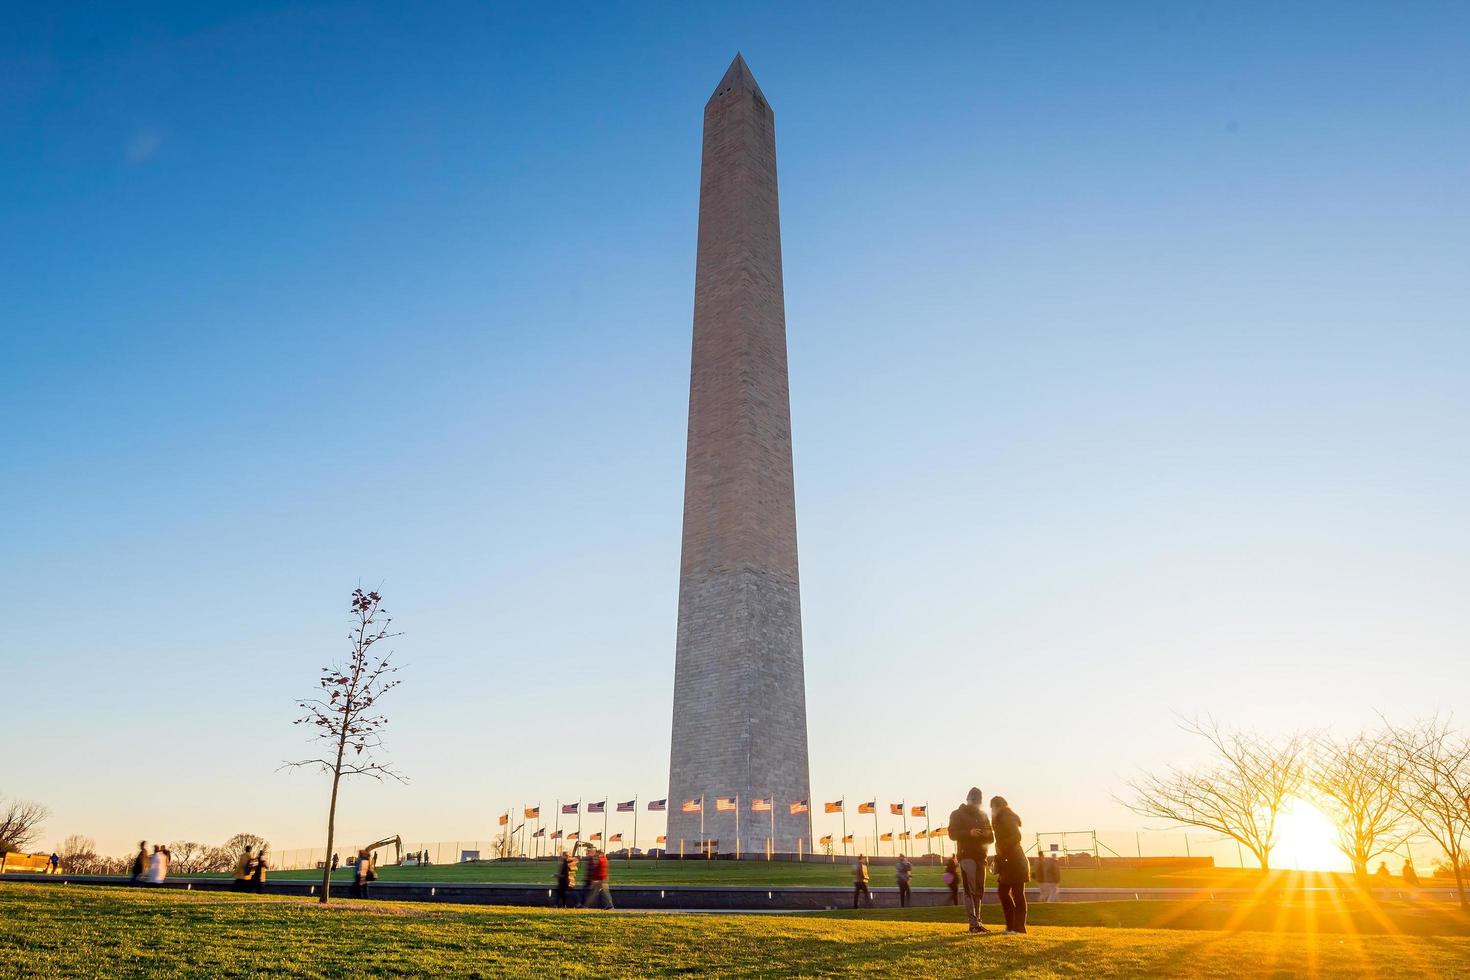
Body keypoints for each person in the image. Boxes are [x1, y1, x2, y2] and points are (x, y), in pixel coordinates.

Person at [948, 787, 994, 933]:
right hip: (966, 855)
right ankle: (973, 923)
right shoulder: (957, 814)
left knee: (979, 890)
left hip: (981, 856)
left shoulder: (983, 815)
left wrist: (986, 833)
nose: (976, 804)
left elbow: (991, 838)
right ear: (969, 800)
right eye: (974, 801)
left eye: (978, 801)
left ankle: (978, 922)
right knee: (970, 889)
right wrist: (969, 833)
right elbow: (952, 833)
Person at [990, 796, 1028, 934]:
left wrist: (1002, 847)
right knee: (1006, 893)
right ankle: (1012, 926)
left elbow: (1017, 836)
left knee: (1016, 894)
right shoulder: (1000, 819)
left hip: (1015, 862)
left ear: (996, 806)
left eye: (992, 807)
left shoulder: (1006, 816)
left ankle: (1018, 928)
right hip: (1009, 862)